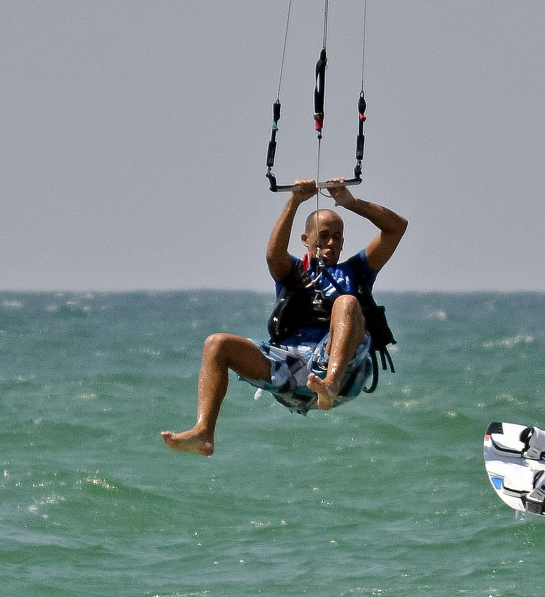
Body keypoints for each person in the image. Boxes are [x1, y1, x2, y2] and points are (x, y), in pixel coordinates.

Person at [160, 179, 407, 456]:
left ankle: (330, 385)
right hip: (293, 367)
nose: (331, 242)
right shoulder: (291, 272)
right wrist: (294, 201)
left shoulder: (357, 270)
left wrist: (351, 203)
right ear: (306, 240)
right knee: (216, 344)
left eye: (337, 237)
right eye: (324, 235)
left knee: (347, 302)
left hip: (341, 373)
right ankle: (204, 433)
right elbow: (272, 254)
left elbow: (397, 227)